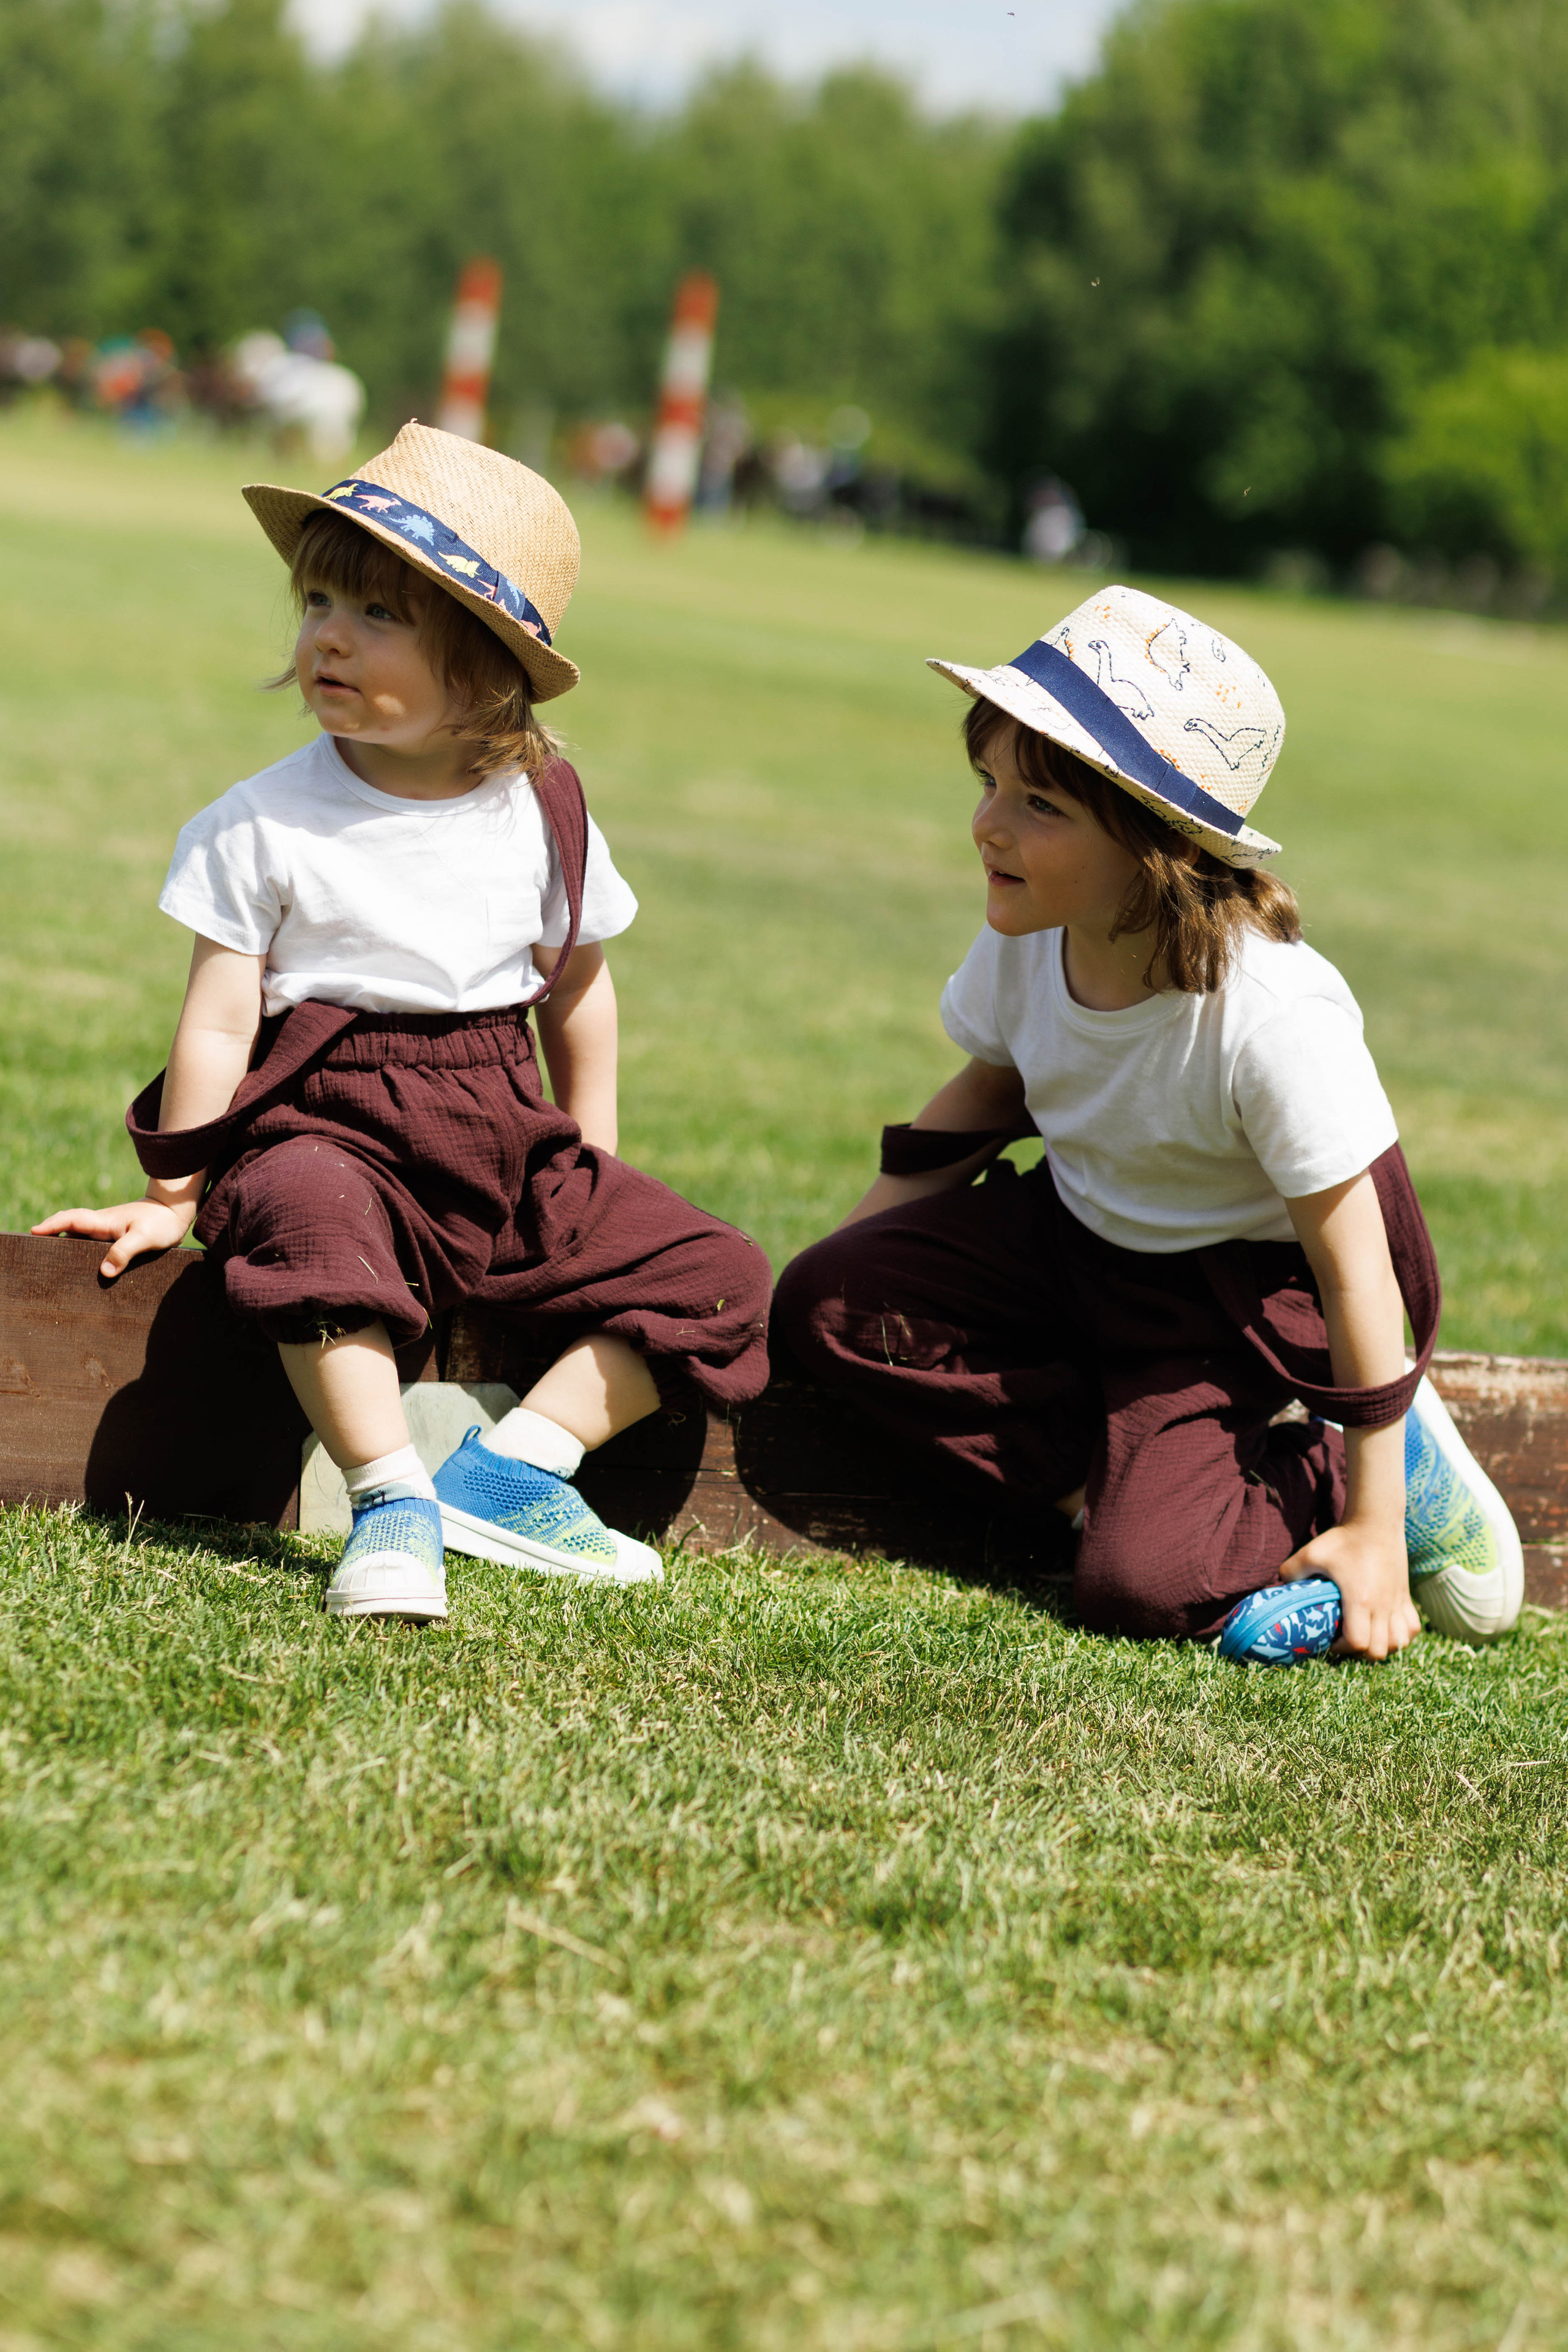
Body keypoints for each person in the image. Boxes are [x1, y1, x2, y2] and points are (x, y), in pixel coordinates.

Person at [35, 422, 770, 1625]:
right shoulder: (260, 823)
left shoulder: (541, 810)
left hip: (502, 1122)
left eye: (375, 615)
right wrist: (176, 1194)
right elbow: (220, 1023)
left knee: (721, 1273)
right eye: (316, 598)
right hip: (331, 1121)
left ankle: (517, 1467)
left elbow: (577, 991)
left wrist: (588, 1155)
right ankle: (390, 1501)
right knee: (305, 1221)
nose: (324, 633)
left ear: (481, 661)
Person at [774, 585, 1522, 1664]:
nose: (987, 824)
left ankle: (1335, 1476)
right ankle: (1118, 1483)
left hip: (1232, 1300)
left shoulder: (1268, 1017)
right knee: (827, 1302)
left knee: (1140, 1587)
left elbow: (1357, 1271)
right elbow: (985, 1101)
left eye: (1040, 806)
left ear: (1154, 845)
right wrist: (844, 1254)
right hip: (1078, 1238)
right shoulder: (1037, 924)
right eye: (989, 783)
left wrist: (1370, 1526)